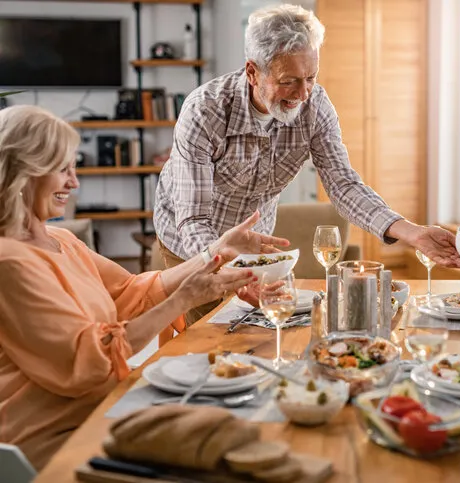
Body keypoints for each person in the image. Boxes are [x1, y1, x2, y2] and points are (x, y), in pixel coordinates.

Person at [0, 105, 289, 470]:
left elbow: (128, 291)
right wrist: (185, 298)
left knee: (243, 415)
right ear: (23, 171)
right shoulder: (9, 262)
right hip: (56, 436)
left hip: (106, 409)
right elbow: (89, 358)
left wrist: (215, 251)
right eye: (62, 169)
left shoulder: (60, 239)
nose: (74, 183)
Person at [153, 4, 460, 322]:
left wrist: (412, 233)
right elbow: (192, 220)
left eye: (310, 77)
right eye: (288, 81)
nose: (303, 94)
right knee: (214, 335)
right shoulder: (206, 111)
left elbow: (344, 185)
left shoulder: (315, 107)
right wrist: (227, 272)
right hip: (192, 242)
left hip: (253, 242)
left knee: (262, 329)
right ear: (252, 72)